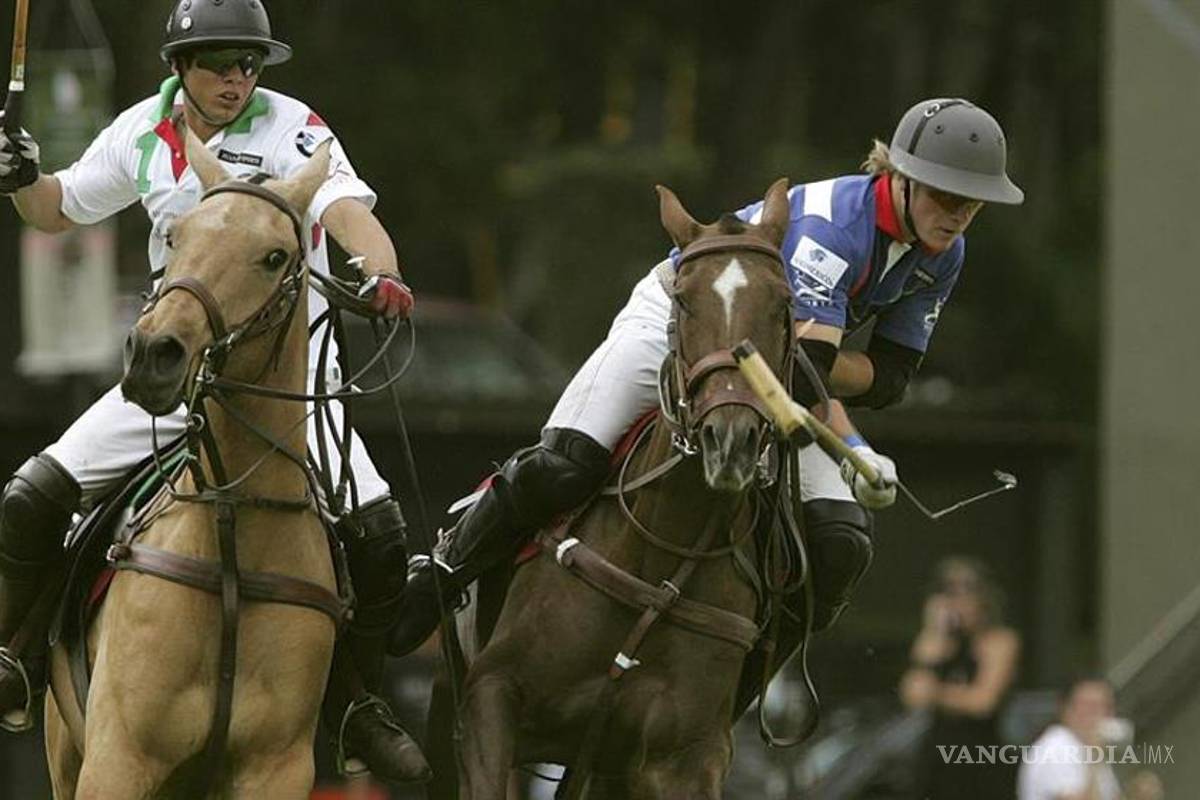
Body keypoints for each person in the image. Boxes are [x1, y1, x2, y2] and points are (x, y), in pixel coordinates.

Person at [389, 98, 1026, 659]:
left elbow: (889, 378)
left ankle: (749, 674)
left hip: (771, 366)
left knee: (840, 545)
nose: (960, 214)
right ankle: (440, 574)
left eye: (973, 202)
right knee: (566, 463)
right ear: (901, 179)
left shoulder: (944, 253)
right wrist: (854, 445)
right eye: (946, 195)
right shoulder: (833, 227)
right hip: (679, 316)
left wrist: (839, 379)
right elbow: (809, 381)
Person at [0, 0, 429, 784]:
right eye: (220, 64)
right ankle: (18, 657)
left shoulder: (296, 128)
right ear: (180, 68)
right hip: (175, 375)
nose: (238, 79)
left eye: (250, 64)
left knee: (381, 543)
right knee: (30, 497)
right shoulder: (140, 133)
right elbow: (55, 209)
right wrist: (21, 175)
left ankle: (354, 701)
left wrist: (385, 274)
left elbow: (347, 216)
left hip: (293, 392)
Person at [900, 556, 1021, 799]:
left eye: (966, 593)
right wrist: (935, 629)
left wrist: (935, 692)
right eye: (949, 593)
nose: (958, 602)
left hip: (978, 757)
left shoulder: (998, 641)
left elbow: (982, 702)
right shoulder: (939, 642)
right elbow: (912, 694)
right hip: (937, 758)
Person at [1017, 677, 1162, 800]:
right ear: (1065, 710)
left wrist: (1133, 794)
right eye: (1088, 706)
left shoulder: (1086, 747)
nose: (1096, 715)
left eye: (1104, 707)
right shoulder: (1057, 747)